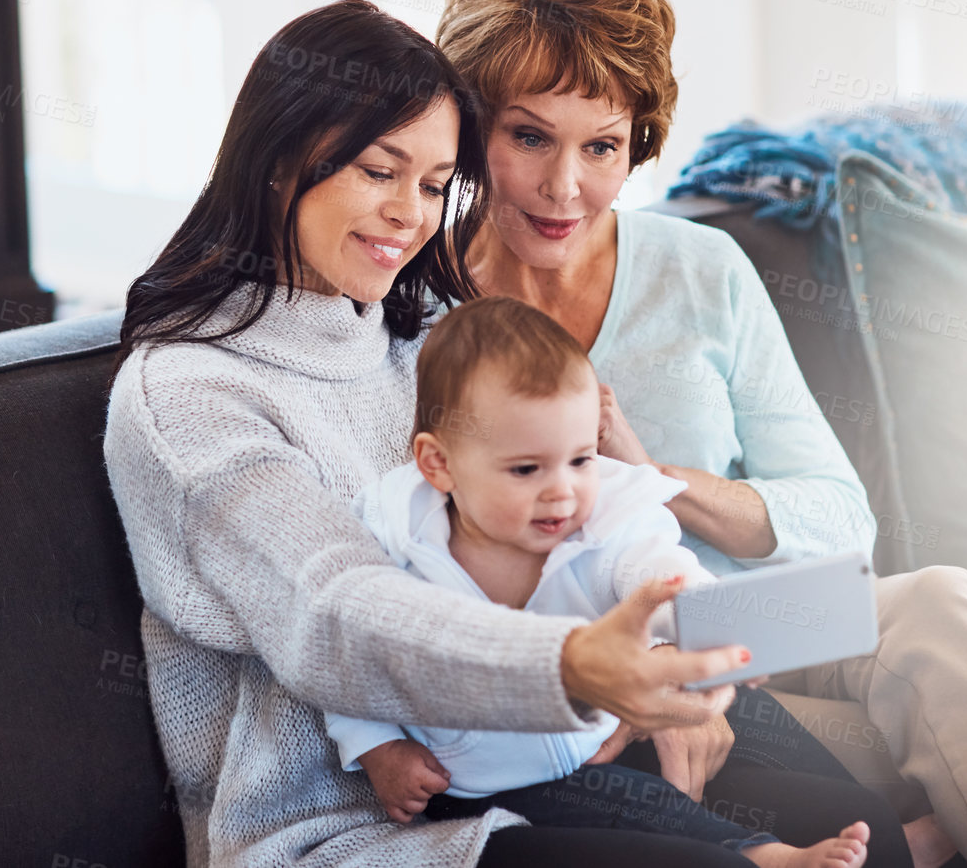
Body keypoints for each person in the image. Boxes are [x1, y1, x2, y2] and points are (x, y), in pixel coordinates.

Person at [106, 0, 852, 867]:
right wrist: (571, 668)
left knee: (867, 816)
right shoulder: (189, 397)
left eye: (431, 185)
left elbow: (590, 514)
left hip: (542, 734)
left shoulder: (420, 329)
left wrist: (672, 645)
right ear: (281, 159)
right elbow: (340, 611)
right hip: (359, 821)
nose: (410, 215)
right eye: (379, 172)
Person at [433, 0, 967, 868]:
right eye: (530, 137)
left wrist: (659, 482)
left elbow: (843, 519)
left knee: (943, 599)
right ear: (472, 129)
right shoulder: (420, 309)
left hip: (746, 616)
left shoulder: (701, 270)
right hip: (584, 644)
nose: (568, 187)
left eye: (601, 146)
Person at [322, 294, 899, 868]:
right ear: (438, 464)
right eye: (526, 469)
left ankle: (888, 825)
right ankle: (767, 856)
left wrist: (717, 617)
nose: (562, 491)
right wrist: (376, 748)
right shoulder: (393, 539)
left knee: (754, 732)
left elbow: (655, 571)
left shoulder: (599, 521)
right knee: (636, 803)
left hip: (593, 740)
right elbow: (347, 657)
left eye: (579, 460)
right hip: (478, 784)